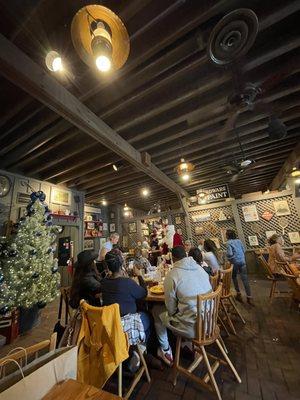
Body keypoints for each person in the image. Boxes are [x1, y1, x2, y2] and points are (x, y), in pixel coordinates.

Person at [152, 246, 212, 366]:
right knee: (186, 308)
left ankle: (165, 350)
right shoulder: (200, 268)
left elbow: (171, 309)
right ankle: (188, 344)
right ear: (185, 255)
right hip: (209, 322)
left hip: (192, 328)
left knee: (156, 310)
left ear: (173, 259)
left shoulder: (172, 275)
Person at [100, 250, 150, 335]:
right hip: (127, 326)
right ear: (122, 264)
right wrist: (139, 275)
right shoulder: (127, 282)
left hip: (110, 324)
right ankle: (141, 346)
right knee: (149, 316)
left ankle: (136, 346)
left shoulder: (104, 282)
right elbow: (144, 293)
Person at [226, 230, 253, 305]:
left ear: (227, 236)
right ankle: (249, 297)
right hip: (242, 261)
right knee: (245, 279)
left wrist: (228, 256)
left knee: (234, 277)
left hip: (234, 262)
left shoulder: (228, 243)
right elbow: (244, 250)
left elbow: (230, 253)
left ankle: (238, 294)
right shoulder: (239, 241)